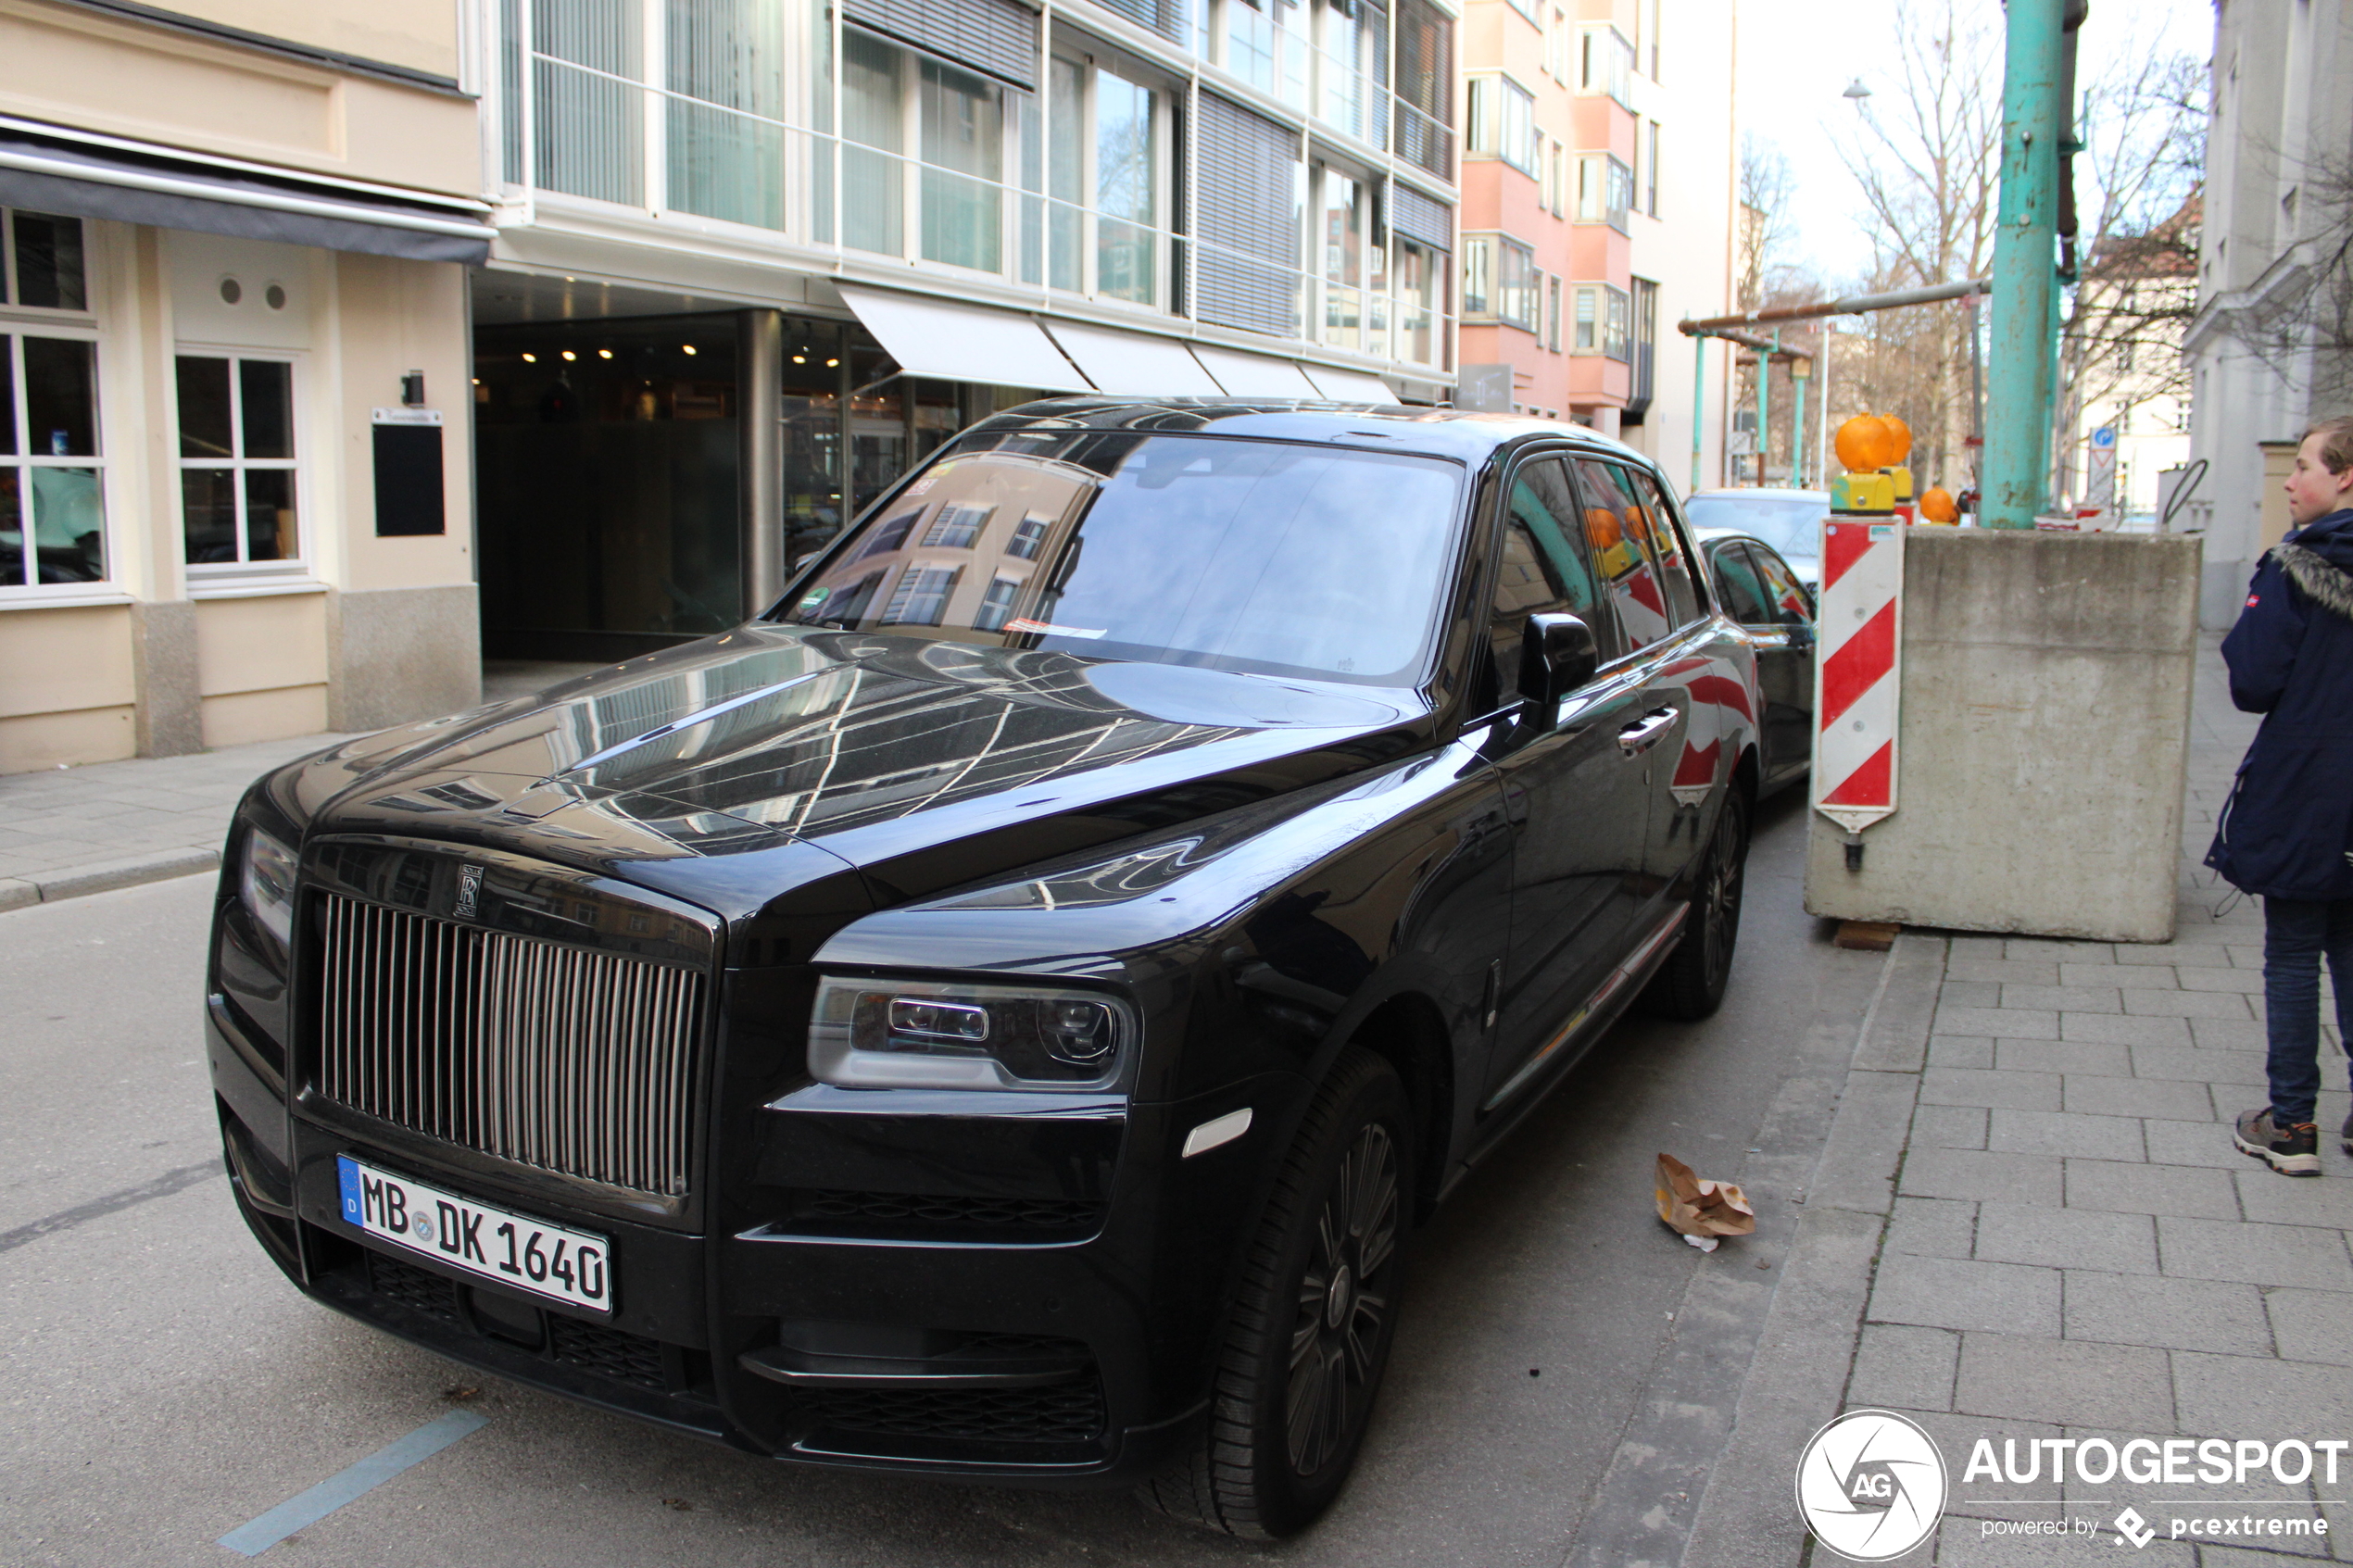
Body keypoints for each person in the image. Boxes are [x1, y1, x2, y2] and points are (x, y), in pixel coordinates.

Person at [2211, 417, 2353, 1175]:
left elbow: (2252, 682)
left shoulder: (2297, 566)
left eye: (2303, 467)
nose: (2291, 480)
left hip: (2310, 790)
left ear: (2345, 477)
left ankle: (2293, 1122)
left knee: (2295, 952)